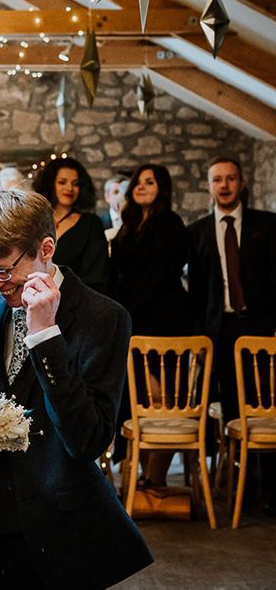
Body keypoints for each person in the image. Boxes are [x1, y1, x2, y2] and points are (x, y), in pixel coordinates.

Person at [0, 189, 152, 589]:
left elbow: (88, 439)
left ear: (46, 248)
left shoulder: (104, 317)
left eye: (3, 270)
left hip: (51, 533)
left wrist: (46, 339)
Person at [188, 157, 276, 513]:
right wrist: (198, 339)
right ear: (209, 186)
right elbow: (195, 291)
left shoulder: (267, 226)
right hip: (218, 331)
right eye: (217, 180)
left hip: (260, 328)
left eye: (230, 178)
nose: (224, 185)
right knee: (231, 407)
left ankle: (270, 486)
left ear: (241, 183)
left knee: (265, 403)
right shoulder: (197, 232)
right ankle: (239, 483)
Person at [109, 164, 192, 480]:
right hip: (131, 321)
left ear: (163, 188)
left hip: (164, 319)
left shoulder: (170, 223)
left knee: (162, 401)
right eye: (138, 182)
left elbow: (162, 274)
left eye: (150, 181)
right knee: (136, 402)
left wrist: (128, 308)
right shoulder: (128, 225)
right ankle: (144, 478)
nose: (142, 186)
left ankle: (154, 478)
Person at [32, 157, 108, 293]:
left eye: (76, 184)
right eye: (62, 182)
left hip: (75, 300)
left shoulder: (91, 223)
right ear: (50, 184)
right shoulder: (35, 220)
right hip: (32, 294)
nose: (69, 188)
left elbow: (96, 275)